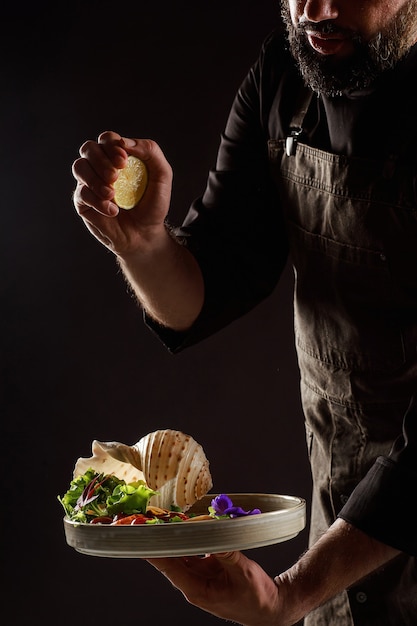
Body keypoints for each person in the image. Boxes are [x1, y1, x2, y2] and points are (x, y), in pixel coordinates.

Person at [71, 0, 417, 624]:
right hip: (340, 548)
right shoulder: (291, 70)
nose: (316, 10)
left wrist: (290, 594)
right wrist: (144, 245)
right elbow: (209, 287)